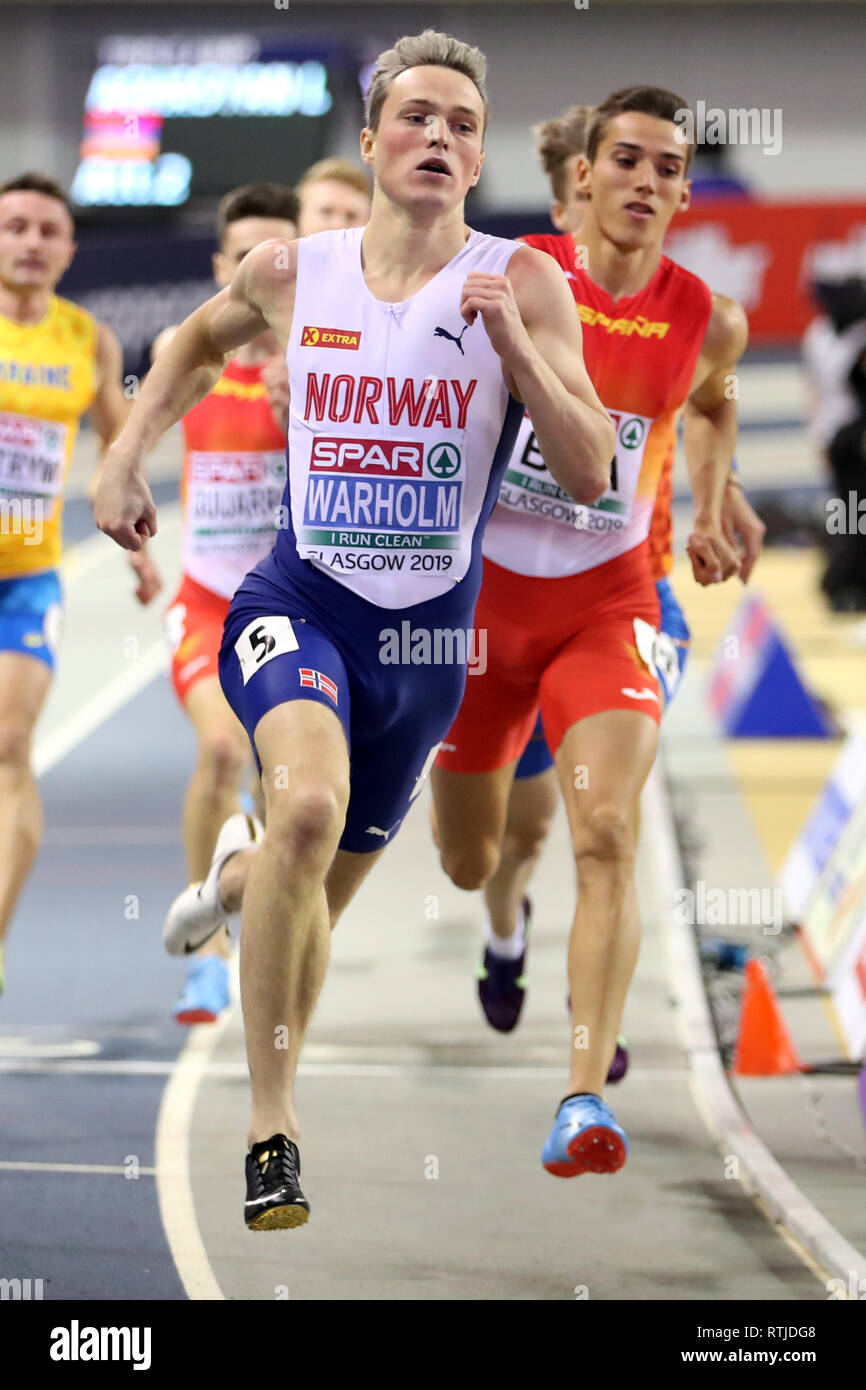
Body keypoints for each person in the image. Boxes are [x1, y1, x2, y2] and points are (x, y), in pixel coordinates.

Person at [94, 29, 615, 1230]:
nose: (439, 137)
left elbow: (587, 470)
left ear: (479, 157)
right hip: (300, 603)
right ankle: (273, 1128)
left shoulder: (525, 282)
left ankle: (235, 872)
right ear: (373, 137)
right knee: (310, 810)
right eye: (418, 116)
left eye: (462, 125)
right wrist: (126, 454)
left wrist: (517, 354)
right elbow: (184, 345)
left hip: (427, 648)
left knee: (307, 894)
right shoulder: (295, 271)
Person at [430, 86, 755, 1178]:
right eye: (629, 160)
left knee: (606, 830)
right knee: (480, 850)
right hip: (480, 615)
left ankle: (578, 1096)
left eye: (670, 168)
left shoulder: (706, 315)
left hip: (609, 604)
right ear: (582, 175)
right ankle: (505, 921)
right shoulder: (510, 273)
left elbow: (709, 405)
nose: (650, 183)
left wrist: (717, 501)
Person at [137, 183, 299, 1025]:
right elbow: (138, 420)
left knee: (287, 800)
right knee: (220, 751)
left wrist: (300, 404)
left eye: (278, 254)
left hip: (286, 612)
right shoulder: (187, 346)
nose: (260, 270)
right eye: (243, 257)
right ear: (219, 267)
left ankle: (253, 920)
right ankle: (207, 955)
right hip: (205, 603)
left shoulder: (321, 364)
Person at [0, 172, 128, 995]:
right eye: (15, 227)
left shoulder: (90, 340)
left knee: (10, 749)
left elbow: (122, 452)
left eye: (48, 230)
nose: (32, 242)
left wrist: (144, 553)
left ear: (69, 249)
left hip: (28, 578)